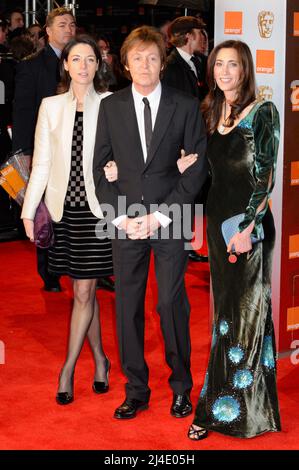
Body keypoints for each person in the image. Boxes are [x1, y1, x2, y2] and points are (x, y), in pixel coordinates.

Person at [93, 26, 207, 420]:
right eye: (137, 58)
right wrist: (124, 218)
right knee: (127, 307)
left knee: (171, 303)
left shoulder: (185, 105)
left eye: (153, 57)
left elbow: (197, 168)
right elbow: (98, 167)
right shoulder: (111, 107)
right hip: (125, 221)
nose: (145, 65)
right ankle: (136, 389)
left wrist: (159, 216)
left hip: (170, 218)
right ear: (125, 65)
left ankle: (181, 387)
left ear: (162, 62)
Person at [187, 40, 281, 440]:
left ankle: (223, 411)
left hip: (248, 229)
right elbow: (212, 173)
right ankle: (254, 406)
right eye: (218, 65)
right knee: (228, 317)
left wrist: (246, 229)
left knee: (246, 315)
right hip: (217, 223)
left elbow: (266, 176)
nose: (224, 72)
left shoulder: (262, 112)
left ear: (245, 70)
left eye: (233, 65)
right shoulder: (212, 110)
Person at [21, 35, 113, 405]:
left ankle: (68, 369)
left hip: (96, 212)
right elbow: (41, 162)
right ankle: (102, 361)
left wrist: (116, 169)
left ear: (98, 65)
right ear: (66, 64)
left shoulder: (110, 105)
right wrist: (29, 210)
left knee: (83, 292)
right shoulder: (51, 106)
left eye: (90, 59)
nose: (84, 66)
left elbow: (123, 154)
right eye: (77, 59)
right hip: (64, 212)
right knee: (83, 293)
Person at [12, 7, 77, 293]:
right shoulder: (32, 65)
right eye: (62, 24)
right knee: (44, 211)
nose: (69, 30)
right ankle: (49, 272)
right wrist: (23, 153)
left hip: (77, 147)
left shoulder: (81, 60)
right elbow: (23, 111)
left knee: (77, 208)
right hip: (43, 150)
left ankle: (83, 266)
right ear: (48, 30)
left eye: (73, 25)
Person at [162, 16, 209, 263]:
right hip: (179, 141)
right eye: (200, 33)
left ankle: (188, 241)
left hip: (195, 136)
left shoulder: (197, 62)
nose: (204, 38)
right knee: (181, 189)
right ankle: (179, 241)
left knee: (192, 189)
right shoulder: (171, 66)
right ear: (188, 36)